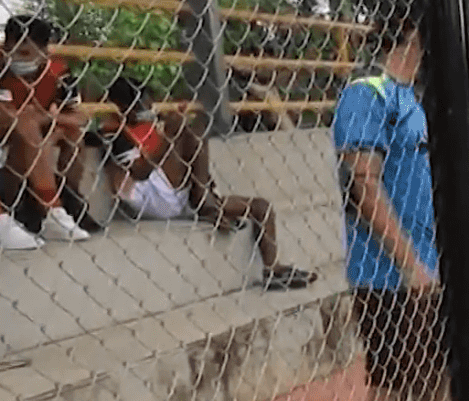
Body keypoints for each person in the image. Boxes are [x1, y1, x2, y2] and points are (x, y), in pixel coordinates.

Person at [333, 13, 462, 401]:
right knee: (391, 387)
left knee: (434, 375)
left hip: (425, 270)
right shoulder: (370, 93)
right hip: (388, 276)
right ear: (409, 37)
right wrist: (409, 263)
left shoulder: (411, 99)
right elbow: (362, 187)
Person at [101, 77, 317, 291]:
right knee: (188, 133)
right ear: (122, 106)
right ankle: (205, 203)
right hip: (147, 197)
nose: (148, 106)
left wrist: (173, 126)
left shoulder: (151, 122)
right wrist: (169, 134)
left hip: (179, 191)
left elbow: (186, 157)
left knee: (262, 207)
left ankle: (273, 270)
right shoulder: (114, 130)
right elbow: (140, 172)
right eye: (141, 102)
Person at [0, 14, 102, 246]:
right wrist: (34, 119)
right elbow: (6, 114)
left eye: (26, 53)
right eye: (11, 49)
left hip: (31, 134)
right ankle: (48, 207)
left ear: (45, 52)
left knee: (72, 134)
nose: (16, 57)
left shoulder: (58, 71)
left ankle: (70, 198)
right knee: (27, 120)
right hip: (9, 133)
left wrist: (46, 119)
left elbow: (79, 117)